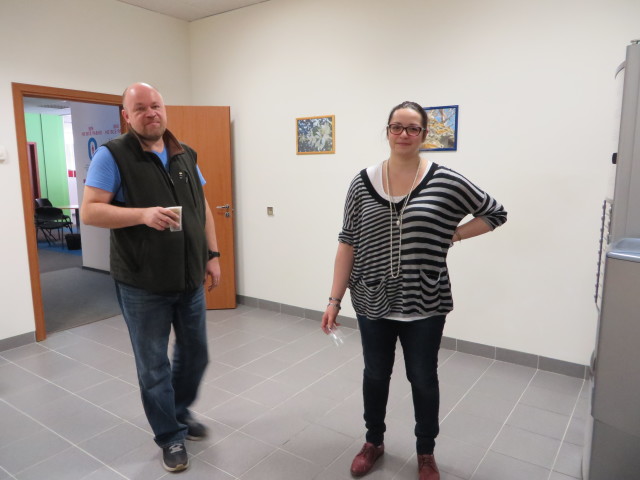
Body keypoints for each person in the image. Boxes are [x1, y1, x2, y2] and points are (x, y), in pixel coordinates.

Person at [321, 101, 507, 480]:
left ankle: (425, 452)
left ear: (424, 134)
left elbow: (494, 213)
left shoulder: (445, 181)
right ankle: (373, 441)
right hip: (372, 300)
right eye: (397, 127)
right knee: (375, 374)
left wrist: (453, 234)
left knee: (422, 378)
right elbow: (347, 242)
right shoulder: (362, 182)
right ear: (387, 130)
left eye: (412, 128)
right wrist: (334, 300)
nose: (403, 134)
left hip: (426, 303)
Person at [81, 82, 221, 473]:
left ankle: (178, 410)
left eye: (155, 105)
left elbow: (202, 207)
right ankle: (170, 435)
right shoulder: (112, 156)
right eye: (140, 108)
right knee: (154, 366)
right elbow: (90, 212)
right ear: (127, 116)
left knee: (196, 354)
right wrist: (141, 214)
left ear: (165, 109)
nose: (150, 113)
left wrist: (212, 255)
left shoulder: (184, 153)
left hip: (189, 279)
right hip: (142, 283)